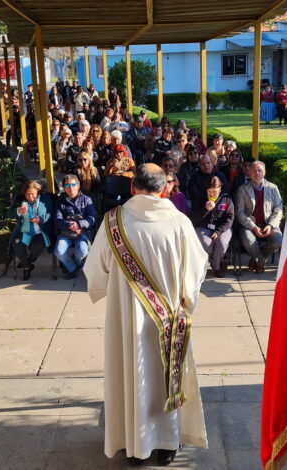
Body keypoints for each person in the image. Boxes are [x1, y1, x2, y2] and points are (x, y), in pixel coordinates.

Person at [84, 164, 209, 466]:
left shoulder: (113, 222)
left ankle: (134, 447)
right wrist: (185, 300)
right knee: (165, 376)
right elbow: (196, 270)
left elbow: (96, 270)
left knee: (131, 376)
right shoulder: (180, 223)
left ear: (132, 187)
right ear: (165, 189)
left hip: (126, 321)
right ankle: (167, 445)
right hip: (168, 320)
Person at [235, 161, 283, 274]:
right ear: (250, 173)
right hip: (249, 225)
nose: (257, 173)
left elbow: (278, 209)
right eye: (254, 171)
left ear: (264, 172)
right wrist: (254, 227)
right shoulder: (242, 189)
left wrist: (270, 225)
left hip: (268, 223)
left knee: (278, 240)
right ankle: (260, 262)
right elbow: (240, 212)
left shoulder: (273, 188)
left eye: (259, 170)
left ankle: (256, 259)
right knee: (249, 241)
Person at [54, 174, 96, 279]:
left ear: (78, 186)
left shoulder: (87, 199)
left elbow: (91, 218)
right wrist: (70, 225)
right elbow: (57, 219)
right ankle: (73, 268)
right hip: (66, 232)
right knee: (59, 251)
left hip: (82, 232)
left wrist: (79, 225)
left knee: (83, 251)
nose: (71, 187)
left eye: (73, 184)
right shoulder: (60, 201)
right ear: (64, 188)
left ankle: (70, 264)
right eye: (67, 185)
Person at [9, 180, 52, 281]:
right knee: (17, 243)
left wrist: (41, 219)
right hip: (23, 231)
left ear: (38, 192)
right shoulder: (19, 199)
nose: (30, 197)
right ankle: (27, 268)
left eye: (33, 194)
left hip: (39, 231)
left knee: (38, 246)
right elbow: (9, 213)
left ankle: (27, 262)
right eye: (27, 194)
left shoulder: (45, 199)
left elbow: (51, 213)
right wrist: (18, 211)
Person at [193, 176, 234, 277]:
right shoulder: (200, 198)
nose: (212, 194)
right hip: (204, 227)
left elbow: (230, 219)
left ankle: (216, 266)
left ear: (220, 189)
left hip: (223, 227)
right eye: (209, 192)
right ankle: (220, 261)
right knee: (208, 246)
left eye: (215, 192)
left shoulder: (226, 199)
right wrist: (205, 209)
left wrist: (219, 231)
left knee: (221, 243)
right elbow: (194, 220)